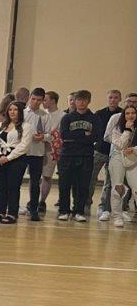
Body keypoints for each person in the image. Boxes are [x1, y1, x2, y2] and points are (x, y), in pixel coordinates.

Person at [57, 90, 98, 222]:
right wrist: (84, 135)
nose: (81, 102)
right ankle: (64, 210)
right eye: (79, 99)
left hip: (86, 156)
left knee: (83, 185)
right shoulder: (67, 118)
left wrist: (75, 137)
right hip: (67, 155)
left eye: (84, 100)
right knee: (64, 184)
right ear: (75, 101)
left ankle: (79, 211)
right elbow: (64, 135)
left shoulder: (94, 118)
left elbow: (96, 136)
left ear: (88, 101)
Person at [0, 101, 33, 224]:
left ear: (20, 112)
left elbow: (24, 145)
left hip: (16, 159)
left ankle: (12, 213)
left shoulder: (26, 126)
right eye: (10, 110)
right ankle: (1, 212)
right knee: (1, 186)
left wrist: (8, 158)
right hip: (0, 158)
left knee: (13, 187)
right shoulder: (1, 125)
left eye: (15, 110)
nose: (12, 112)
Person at [90, 89, 123, 220]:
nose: (113, 100)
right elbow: (94, 130)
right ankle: (86, 204)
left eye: (116, 97)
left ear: (119, 99)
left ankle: (104, 208)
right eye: (110, 97)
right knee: (90, 178)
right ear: (107, 99)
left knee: (109, 182)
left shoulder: (123, 114)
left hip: (114, 152)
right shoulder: (99, 113)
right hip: (99, 150)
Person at [106, 97, 137, 227]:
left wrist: (134, 149)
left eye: (133, 113)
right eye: (127, 113)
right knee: (118, 187)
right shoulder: (117, 128)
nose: (130, 116)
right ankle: (117, 216)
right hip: (117, 157)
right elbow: (119, 145)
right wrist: (127, 130)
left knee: (136, 188)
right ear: (124, 115)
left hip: (133, 158)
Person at [22, 87, 48, 221]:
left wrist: (43, 137)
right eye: (33, 99)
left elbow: (51, 134)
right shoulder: (21, 113)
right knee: (16, 180)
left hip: (37, 152)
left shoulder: (45, 115)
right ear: (29, 98)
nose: (35, 102)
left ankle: (33, 210)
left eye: (39, 100)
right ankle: (12, 208)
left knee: (35, 182)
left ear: (43, 101)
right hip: (21, 152)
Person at [39, 90, 64, 214]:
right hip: (38, 146)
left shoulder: (62, 116)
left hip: (51, 149)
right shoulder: (41, 114)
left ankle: (42, 201)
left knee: (47, 175)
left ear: (53, 101)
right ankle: (33, 200)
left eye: (45, 100)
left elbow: (57, 134)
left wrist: (45, 136)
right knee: (35, 175)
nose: (43, 102)